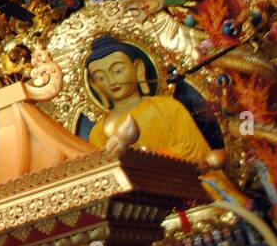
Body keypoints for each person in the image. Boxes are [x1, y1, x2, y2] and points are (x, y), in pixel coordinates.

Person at [84, 36, 213, 163]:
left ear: (138, 68)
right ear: (94, 85)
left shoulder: (168, 108)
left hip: (179, 178)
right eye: (101, 77)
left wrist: (146, 158)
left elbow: (197, 154)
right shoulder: (98, 133)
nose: (111, 81)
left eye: (118, 70)